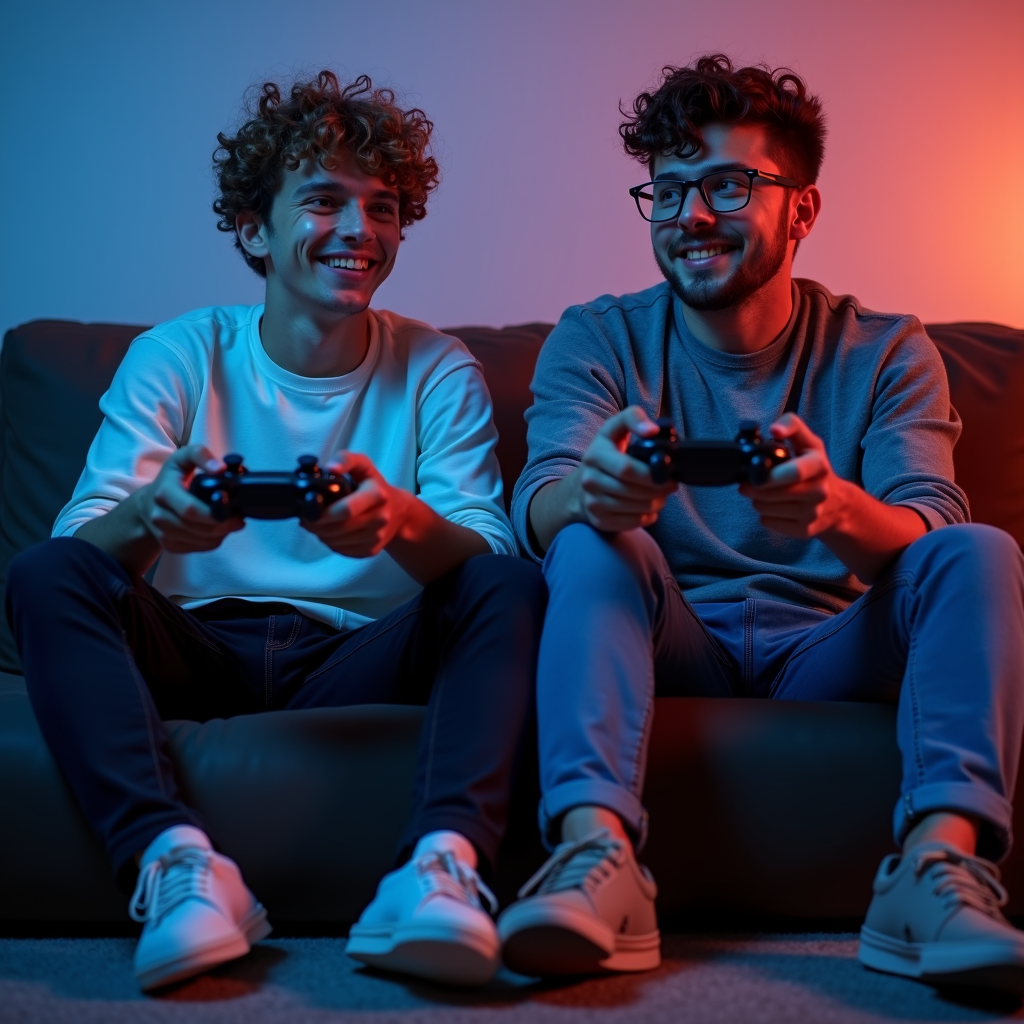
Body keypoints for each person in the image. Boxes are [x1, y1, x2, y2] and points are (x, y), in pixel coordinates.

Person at [4, 71, 545, 992]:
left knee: (513, 584)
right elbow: (85, 542)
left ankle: (440, 870)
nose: (360, 231)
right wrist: (154, 517)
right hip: (193, 641)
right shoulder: (180, 351)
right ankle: (175, 866)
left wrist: (398, 522)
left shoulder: (435, 366)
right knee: (46, 573)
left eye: (383, 208)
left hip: (362, 649)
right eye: (324, 201)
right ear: (255, 230)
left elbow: (490, 551)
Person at [496, 54, 1024, 994]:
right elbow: (538, 499)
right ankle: (596, 862)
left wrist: (834, 509)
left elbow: (930, 523)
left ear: (802, 209)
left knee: (979, 551)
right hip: (669, 630)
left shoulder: (888, 348)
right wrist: (593, 495)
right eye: (669, 191)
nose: (693, 214)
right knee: (585, 539)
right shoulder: (599, 334)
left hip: (832, 637)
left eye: (728, 184)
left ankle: (936, 872)